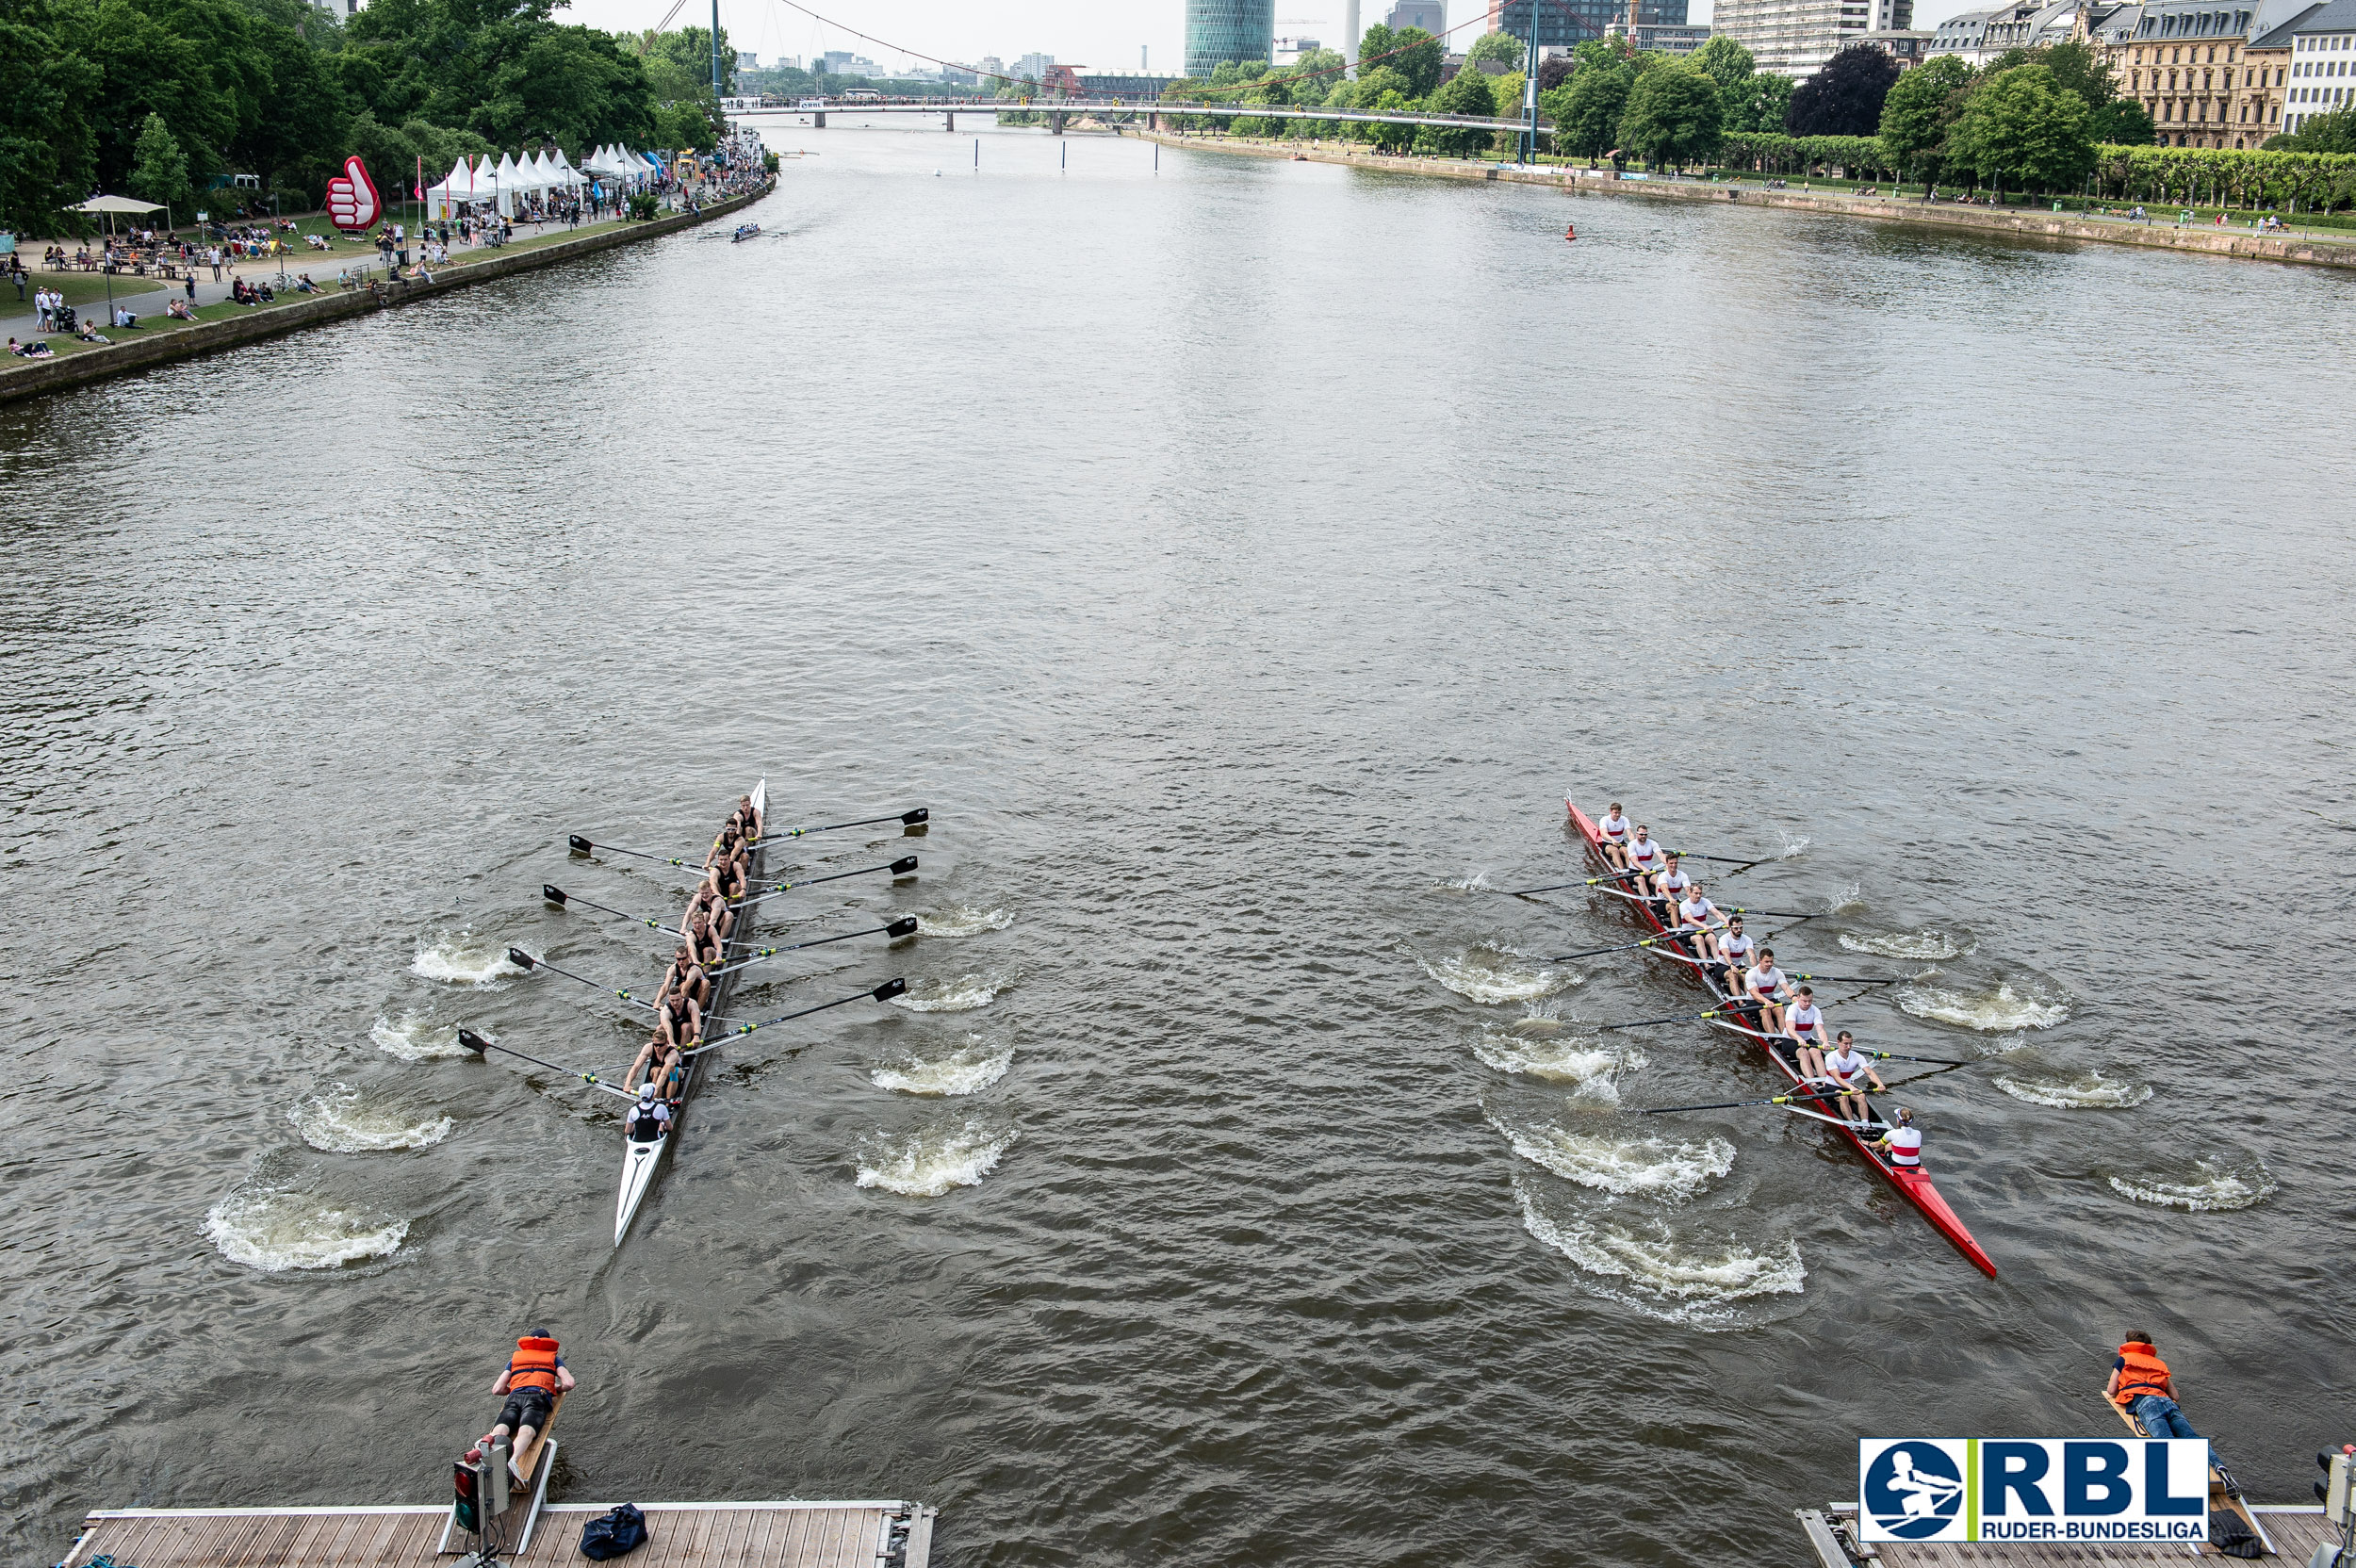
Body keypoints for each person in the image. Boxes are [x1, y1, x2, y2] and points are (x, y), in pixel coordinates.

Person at [481, 1330, 574, 1464]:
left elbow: (497, 1389)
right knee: (526, 1430)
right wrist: (556, 1388)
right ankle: (512, 1463)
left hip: (515, 1396)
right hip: (537, 1397)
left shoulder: (515, 1359)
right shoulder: (554, 1359)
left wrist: (513, 1389)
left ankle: (485, 1457)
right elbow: (569, 1383)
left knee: (501, 1428)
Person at [2108, 1332, 2201, 1440]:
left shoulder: (2124, 1359)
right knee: (2192, 1438)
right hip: (2168, 1403)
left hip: (2147, 1404)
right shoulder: (2159, 1363)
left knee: (2165, 1440)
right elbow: (2175, 1396)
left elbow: (2111, 1389)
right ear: (2149, 1346)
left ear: (2129, 1344)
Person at [1822, 1031, 1885, 1125]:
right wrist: (1851, 1087)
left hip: (1847, 1087)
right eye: (1845, 1044)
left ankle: (1865, 1124)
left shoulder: (1857, 1056)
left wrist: (1880, 1084)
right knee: (1843, 1097)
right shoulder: (1831, 1057)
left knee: (1861, 1096)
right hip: (1831, 1087)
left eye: (1850, 1044)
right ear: (1838, 1042)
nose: (1848, 1047)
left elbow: (1869, 1072)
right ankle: (1852, 1124)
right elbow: (1837, 1078)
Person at [1742, 946, 1791, 1036]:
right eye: (1767, 962)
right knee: (1765, 1010)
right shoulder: (1752, 973)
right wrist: (1766, 1001)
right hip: (1753, 1002)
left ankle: (1785, 1037)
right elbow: (1754, 993)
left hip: (1769, 1000)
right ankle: (1774, 1038)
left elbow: (1786, 988)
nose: (1769, 964)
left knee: (1780, 1009)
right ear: (1760, 960)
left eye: (1771, 962)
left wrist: (1794, 997)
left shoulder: (1777, 972)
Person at [1785, 984, 1830, 1078]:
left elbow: (1820, 1030)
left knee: (1817, 1052)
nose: (1807, 1004)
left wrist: (1825, 1041)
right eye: (1804, 1001)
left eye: (1810, 1001)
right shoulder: (1792, 1009)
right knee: (1804, 1053)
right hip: (1790, 1041)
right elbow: (1790, 1029)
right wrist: (1798, 1039)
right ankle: (1812, 1083)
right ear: (1798, 998)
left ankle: (1824, 1083)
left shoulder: (1815, 1010)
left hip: (1807, 1040)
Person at [1672, 883, 1722, 964]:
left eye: (1700, 893)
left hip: (1702, 930)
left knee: (1712, 938)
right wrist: (1704, 926)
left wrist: (1727, 922)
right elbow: (1690, 920)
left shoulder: (1705, 901)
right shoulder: (1684, 905)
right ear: (1690, 893)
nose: (1698, 896)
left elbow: (1717, 913)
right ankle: (1706, 965)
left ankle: (1718, 963)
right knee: (1699, 938)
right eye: (1696, 893)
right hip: (1688, 933)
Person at [1874, 1105, 1922, 1170]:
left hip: (1896, 1164)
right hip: (1916, 1164)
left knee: (1888, 1144)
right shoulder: (1918, 1133)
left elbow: (1877, 1145)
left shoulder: (1892, 1133)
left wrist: (1868, 1144)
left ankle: (1876, 1153)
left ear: (1898, 1120)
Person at [1595, 802, 1632, 868]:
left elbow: (1629, 833)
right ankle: (1622, 872)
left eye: (1619, 813)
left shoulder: (1624, 819)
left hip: (1620, 843)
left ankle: (1632, 870)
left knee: (1627, 851)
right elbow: (1603, 833)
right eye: (1615, 813)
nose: (1617, 815)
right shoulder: (1604, 820)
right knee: (1615, 850)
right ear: (1610, 811)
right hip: (1608, 844)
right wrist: (1612, 840)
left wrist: (1634, 842)